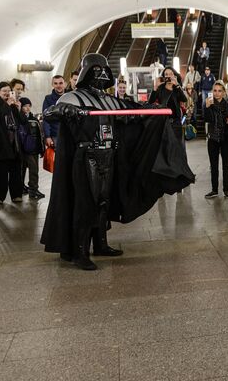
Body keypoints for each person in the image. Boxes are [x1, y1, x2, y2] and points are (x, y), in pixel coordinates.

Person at [41, 53, 194, 271]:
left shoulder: (108, 99)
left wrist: (154, 110)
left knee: (104, 202)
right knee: (86, 204)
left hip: (109, 155)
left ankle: (101, 244)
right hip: (87, 157)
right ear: (87, 72)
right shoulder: (72, 97)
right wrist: (64, 109)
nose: (101, 75)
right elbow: (49, 113)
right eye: (96, 71)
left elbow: (133, 113)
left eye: (104, 71)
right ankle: (79, 251)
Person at [0, 82, 24, 203]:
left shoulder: (13, 104)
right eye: (4, 91)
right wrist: (7, 104)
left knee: (16, 171)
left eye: (9, 91)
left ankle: (16, 194)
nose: (7, 93)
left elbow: (22, 122)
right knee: (2, 171)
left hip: (14, 142)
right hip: (1, 142)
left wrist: (19, 109)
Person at [204, 80, 228, 199]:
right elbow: (207, 119)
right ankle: (214, 190)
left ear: (223, 92)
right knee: (214, 165)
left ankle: (226, 190)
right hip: (213, 138)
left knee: (226, 166)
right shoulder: (209, 103)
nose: (217, 93)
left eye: (219, 91)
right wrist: (207, 107)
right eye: (215, 91)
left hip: (226, 138)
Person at [148, 67, 187, 142]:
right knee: (165, 146)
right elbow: (150, 102)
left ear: (174, 75)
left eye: (171, 74)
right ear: (164, 77)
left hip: (176, 122)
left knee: (177, 146)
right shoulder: (161, 88)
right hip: (163, 122)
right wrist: (155, 87)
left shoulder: (176, 88)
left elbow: (184, 99)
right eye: (166, 74)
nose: (168, 76)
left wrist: (177, 85)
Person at [18, 98, 45, 199]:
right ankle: (21, 188)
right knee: (22, 170)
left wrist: (42, 149)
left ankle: (33, 190)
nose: (27, 108)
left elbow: (40, 135)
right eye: (25, 106)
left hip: (34, 149)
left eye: (29, 105)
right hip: (22, 150)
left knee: (34, 171)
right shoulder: (19, 119)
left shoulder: (34, 119)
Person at [42, 74, 66, 149]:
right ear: (52, 84)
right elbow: (45, 118)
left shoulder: (70, 97)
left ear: (65, 84)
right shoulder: (48, 99)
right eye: (55, 83)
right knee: (56, 160)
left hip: (69, 134)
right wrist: (48, 136)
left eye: (60, 83)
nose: (58, 85)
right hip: (55, 135)